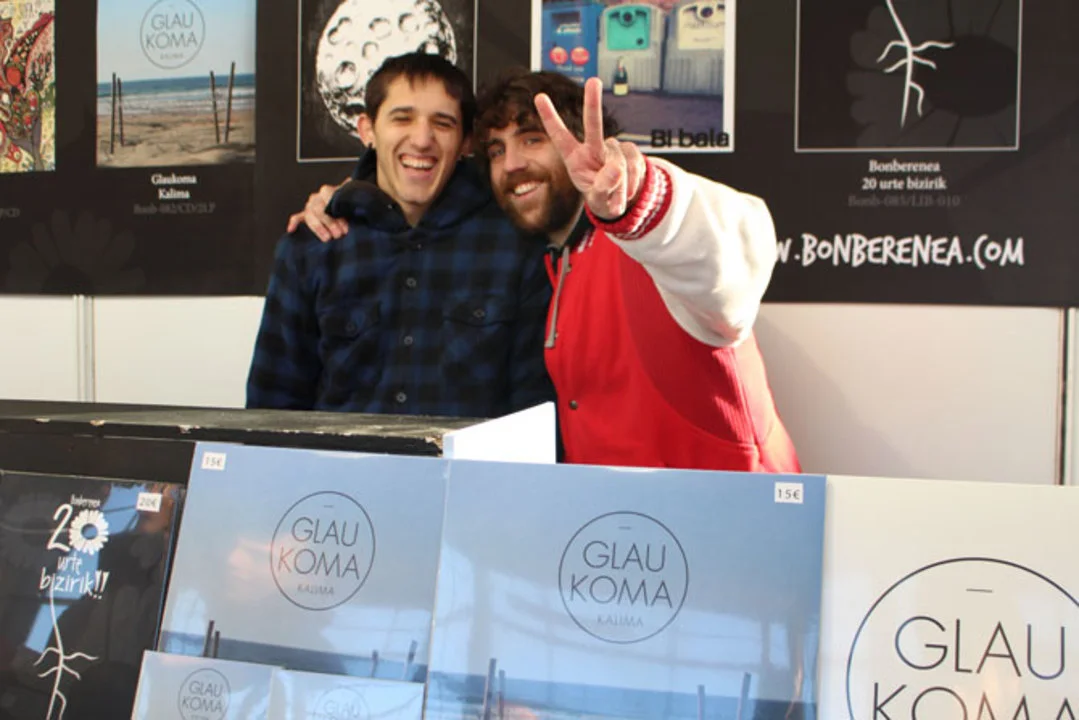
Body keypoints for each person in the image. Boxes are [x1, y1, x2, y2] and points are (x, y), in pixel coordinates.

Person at [297, 68, 799, 473]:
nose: (512, 164)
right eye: (496, 151)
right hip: (616, 543)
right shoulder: (545, 260)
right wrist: (349, 196)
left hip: (734, 530)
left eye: (533, 139)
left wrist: (639, 198)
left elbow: (739, 245)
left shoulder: (645, 241)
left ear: (586, 143)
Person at [247, 54, 554, 419]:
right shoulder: (311, 246)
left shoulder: (516, 246)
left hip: (473, 460)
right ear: (367, 130)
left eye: (442, 123)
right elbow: (271, 412)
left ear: (466, 142)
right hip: (341, 459)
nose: (422, 140)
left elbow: (532, 416)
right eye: (402, 118)